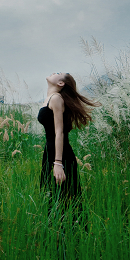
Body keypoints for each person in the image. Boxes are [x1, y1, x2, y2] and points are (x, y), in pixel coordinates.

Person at [38, 72, 98, 221]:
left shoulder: (57, 98)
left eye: (58, 74)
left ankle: (73, 235)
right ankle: (56, 235)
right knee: (52, 195)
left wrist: (58, 163)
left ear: (61, 83)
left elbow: (60, 132)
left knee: (67, 196)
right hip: (51, 151)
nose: (54, 73)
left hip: (61, 155)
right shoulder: (49, 99)